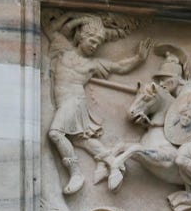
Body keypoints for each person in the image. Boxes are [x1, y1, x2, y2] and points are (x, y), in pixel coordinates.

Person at [46, 15, 146, 195]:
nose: (94, 46)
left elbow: (119, 67)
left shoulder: (92, 64)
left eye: (98, 44)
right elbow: (52, 29)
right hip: (62, 101)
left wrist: (138, 58)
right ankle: (112, 162)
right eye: (91, 41)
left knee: (55, 133)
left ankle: (76, 173)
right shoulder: (63, 49)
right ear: (81, 38)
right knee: (80, 139)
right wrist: (81, 18)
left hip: (74, 100)